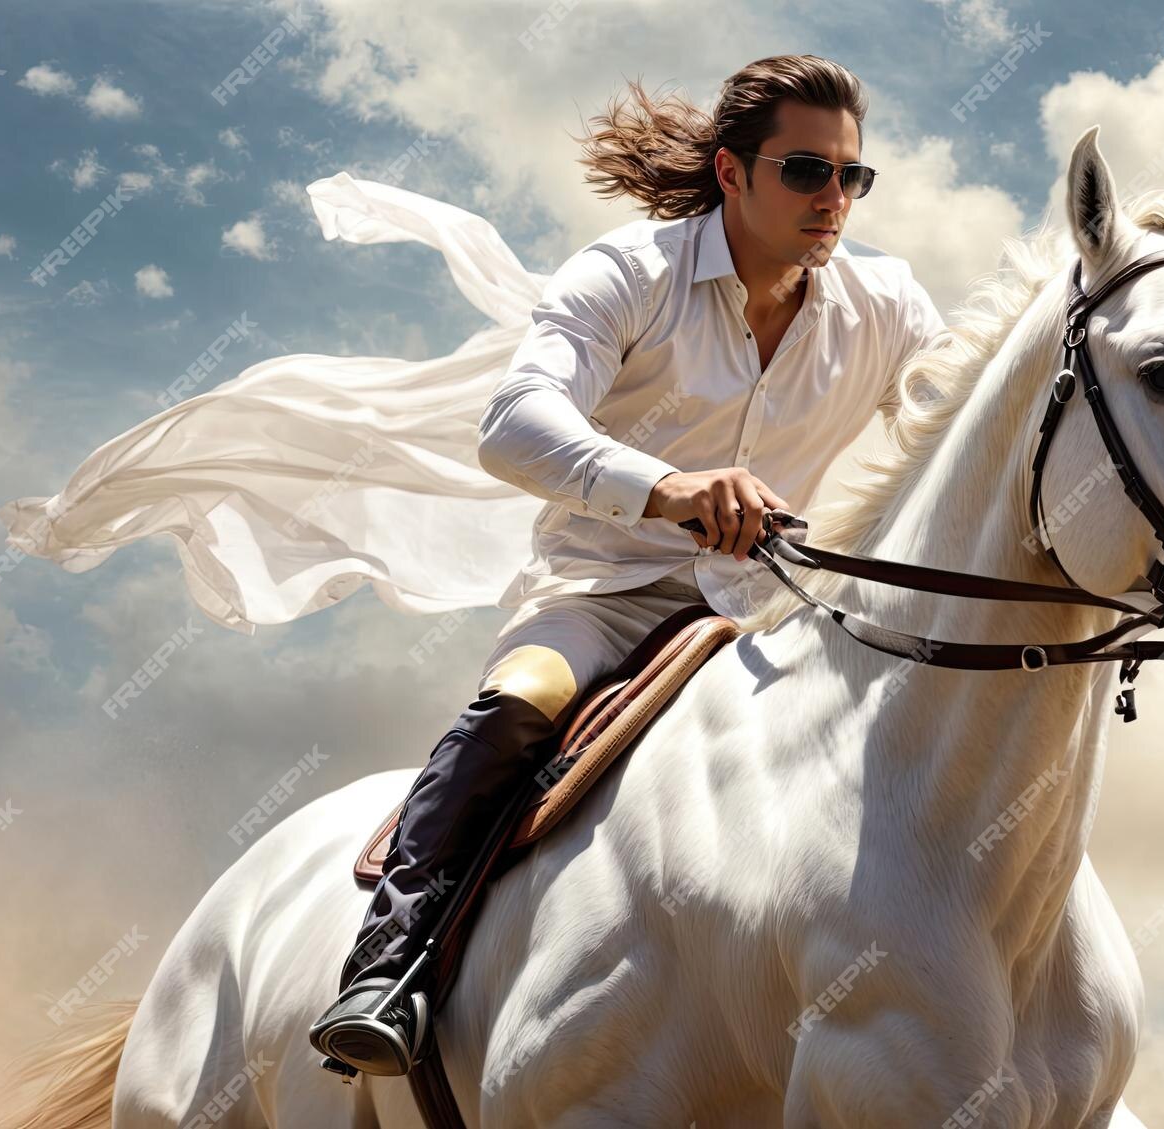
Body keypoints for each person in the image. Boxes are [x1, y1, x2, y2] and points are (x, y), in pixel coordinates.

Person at [306, 53, 949, 1077]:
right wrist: (671, 487)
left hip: (770, 611)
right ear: (731, 173)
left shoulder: (889, 302)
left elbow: (954, 436)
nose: (834, 200)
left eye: (850, 177)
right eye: (805, 172)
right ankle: (390, 966)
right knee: (521, 701)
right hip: (602, 596)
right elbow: (512, 427)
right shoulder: (624, 273)